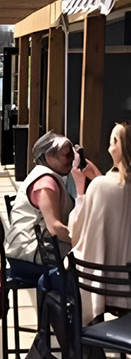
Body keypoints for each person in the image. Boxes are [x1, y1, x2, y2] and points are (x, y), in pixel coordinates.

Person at [69, 122, 131, 324]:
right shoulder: (102, 183)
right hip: (127, 287)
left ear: (122, 148)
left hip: (101, 286)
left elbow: (78, 233)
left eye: (113, 142)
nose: (109, 148)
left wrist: (81, 190)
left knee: (50, 282)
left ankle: (86, 350)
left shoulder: (100, 186)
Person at [5, 131, 75, 274]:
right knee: (81, 266)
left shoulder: (44, 176)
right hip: (30, 254)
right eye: (67, 155)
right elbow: (54, 227)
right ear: (49, 157)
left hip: (25, 249)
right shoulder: (46, 184)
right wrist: (83, 242)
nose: (72, 159)